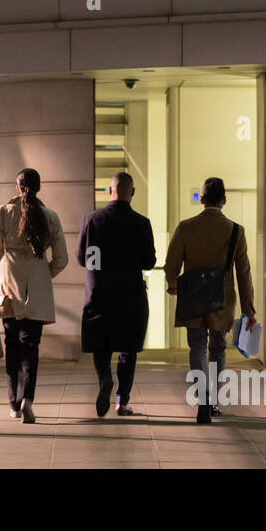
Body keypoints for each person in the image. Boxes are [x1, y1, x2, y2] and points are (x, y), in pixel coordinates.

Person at [162, 177, 255, 424]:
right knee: (218, 348)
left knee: (196, 348)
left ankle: (202, 397)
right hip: (222, 300)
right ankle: (213, 399)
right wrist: (248, 309)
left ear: (201, 200)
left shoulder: (186, 227)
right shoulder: (236, 231)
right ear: (224, 201)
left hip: (193, 298)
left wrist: (174, 287)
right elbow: (244, 273)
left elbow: (171, 265)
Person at [0, 168, 68, 424]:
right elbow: (61, 260)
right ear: (39, 188)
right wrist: (43, 276)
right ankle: (28, 398)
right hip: (37, 295)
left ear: (17, 188)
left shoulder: (3, 213)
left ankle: (13, 404)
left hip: (8, 292)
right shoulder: (50, 217)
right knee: (31, 348)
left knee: (12, 348)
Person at [77, 172, 156, 417]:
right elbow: (149, 262)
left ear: (109, 191)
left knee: (101, 346)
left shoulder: (92, 220)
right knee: (128, 348)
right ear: (132, 193)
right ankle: (122, 401)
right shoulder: (141, 223)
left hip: (99, 292)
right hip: (130, 295)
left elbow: (84, 258)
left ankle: (104, 380)